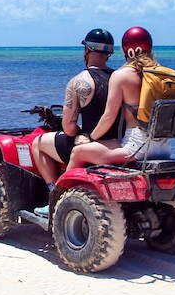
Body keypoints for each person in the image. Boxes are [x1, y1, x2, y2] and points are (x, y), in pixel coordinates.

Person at [32, 28, 120, 216]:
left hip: (91, 144)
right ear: (109, 53)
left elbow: (69, 129)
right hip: (117, 145)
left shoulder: (79, 82)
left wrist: (82, 132)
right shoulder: (120, 79)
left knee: (37, 143)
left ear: (87, 50)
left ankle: (54, 194)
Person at [66, 26, 171, 170]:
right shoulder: (159, 75)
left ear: (125, 49)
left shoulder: (121, 75)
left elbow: (109, 116)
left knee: (78, 152)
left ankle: (62, 192)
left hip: (136, 147)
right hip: (164, 147)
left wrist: (90, 138)